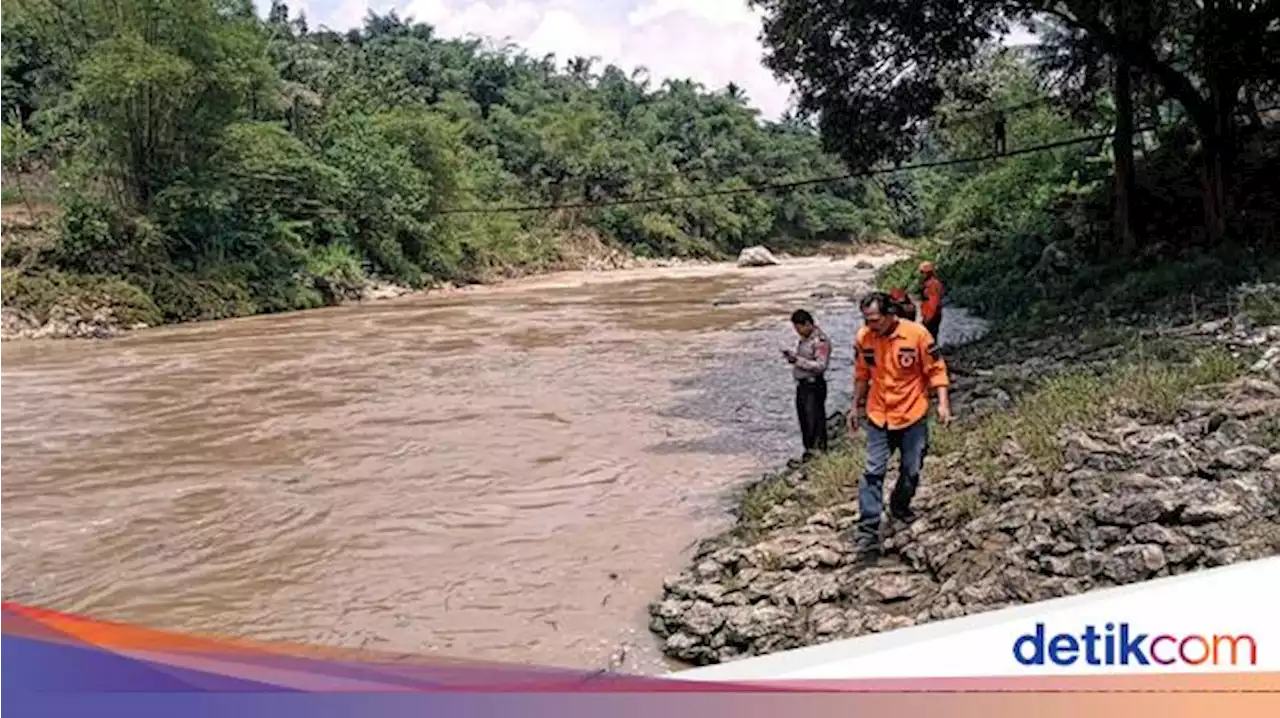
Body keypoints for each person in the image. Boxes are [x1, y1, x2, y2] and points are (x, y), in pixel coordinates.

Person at [847, 292, 952, 565]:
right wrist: (854, 407)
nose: (870, 325)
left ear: (891, 314)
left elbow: (936, 370)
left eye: (875, 320)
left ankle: (900, 505)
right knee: (873, 471)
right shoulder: (864, 338)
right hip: (879, 415)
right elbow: (861, 374)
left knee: (912, 468)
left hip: (912, 414)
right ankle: (868, 530)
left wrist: (942, 404)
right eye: (866, 320)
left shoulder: (917, 335)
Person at [783, 309, 831, 461]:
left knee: (814, 420)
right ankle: (808, 451)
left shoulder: (820, 341)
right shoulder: (805, 340)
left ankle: (818, 453)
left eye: (799, 328)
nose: (798, 332)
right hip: (803, 385)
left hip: (813, 385)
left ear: (808, 324)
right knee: (804, 420)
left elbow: (821, 365)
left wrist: (797, 361)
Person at [918, 261, 945, 342]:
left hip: (932, 314)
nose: (922, 275)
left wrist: (928, 318)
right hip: (931, 313)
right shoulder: (932, 282)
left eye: (923, 272)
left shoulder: (932, 284)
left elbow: (934, 302)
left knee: (928, 337)